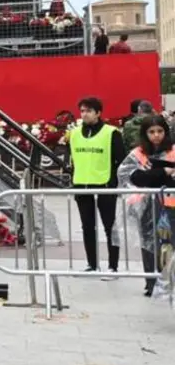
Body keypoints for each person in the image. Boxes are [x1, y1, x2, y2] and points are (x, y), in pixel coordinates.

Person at [117, 114, 175, 297]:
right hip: (147, 207)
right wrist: (163, 172)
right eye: (152, 132)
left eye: (160, 131)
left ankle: (169, 281)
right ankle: (152, 282)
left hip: (171, 206)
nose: (156, 135)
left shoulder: (173, 151)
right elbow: (133, 177)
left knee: (170, 245)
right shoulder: (138, 154)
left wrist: (152, 175)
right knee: (149, 246)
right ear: (145, 133)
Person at [67, 97, 126, 274]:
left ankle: (113, 266)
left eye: (88, 111)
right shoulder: (75, 133)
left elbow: (121, 160)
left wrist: (115, 183)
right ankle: (92, 264)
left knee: (110, 226)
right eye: (82, 111)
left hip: (105, 185)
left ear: (98, 113)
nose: (84, 114)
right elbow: (74, 159)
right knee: (87, 226)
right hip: (82, 184)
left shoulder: (111, 132)